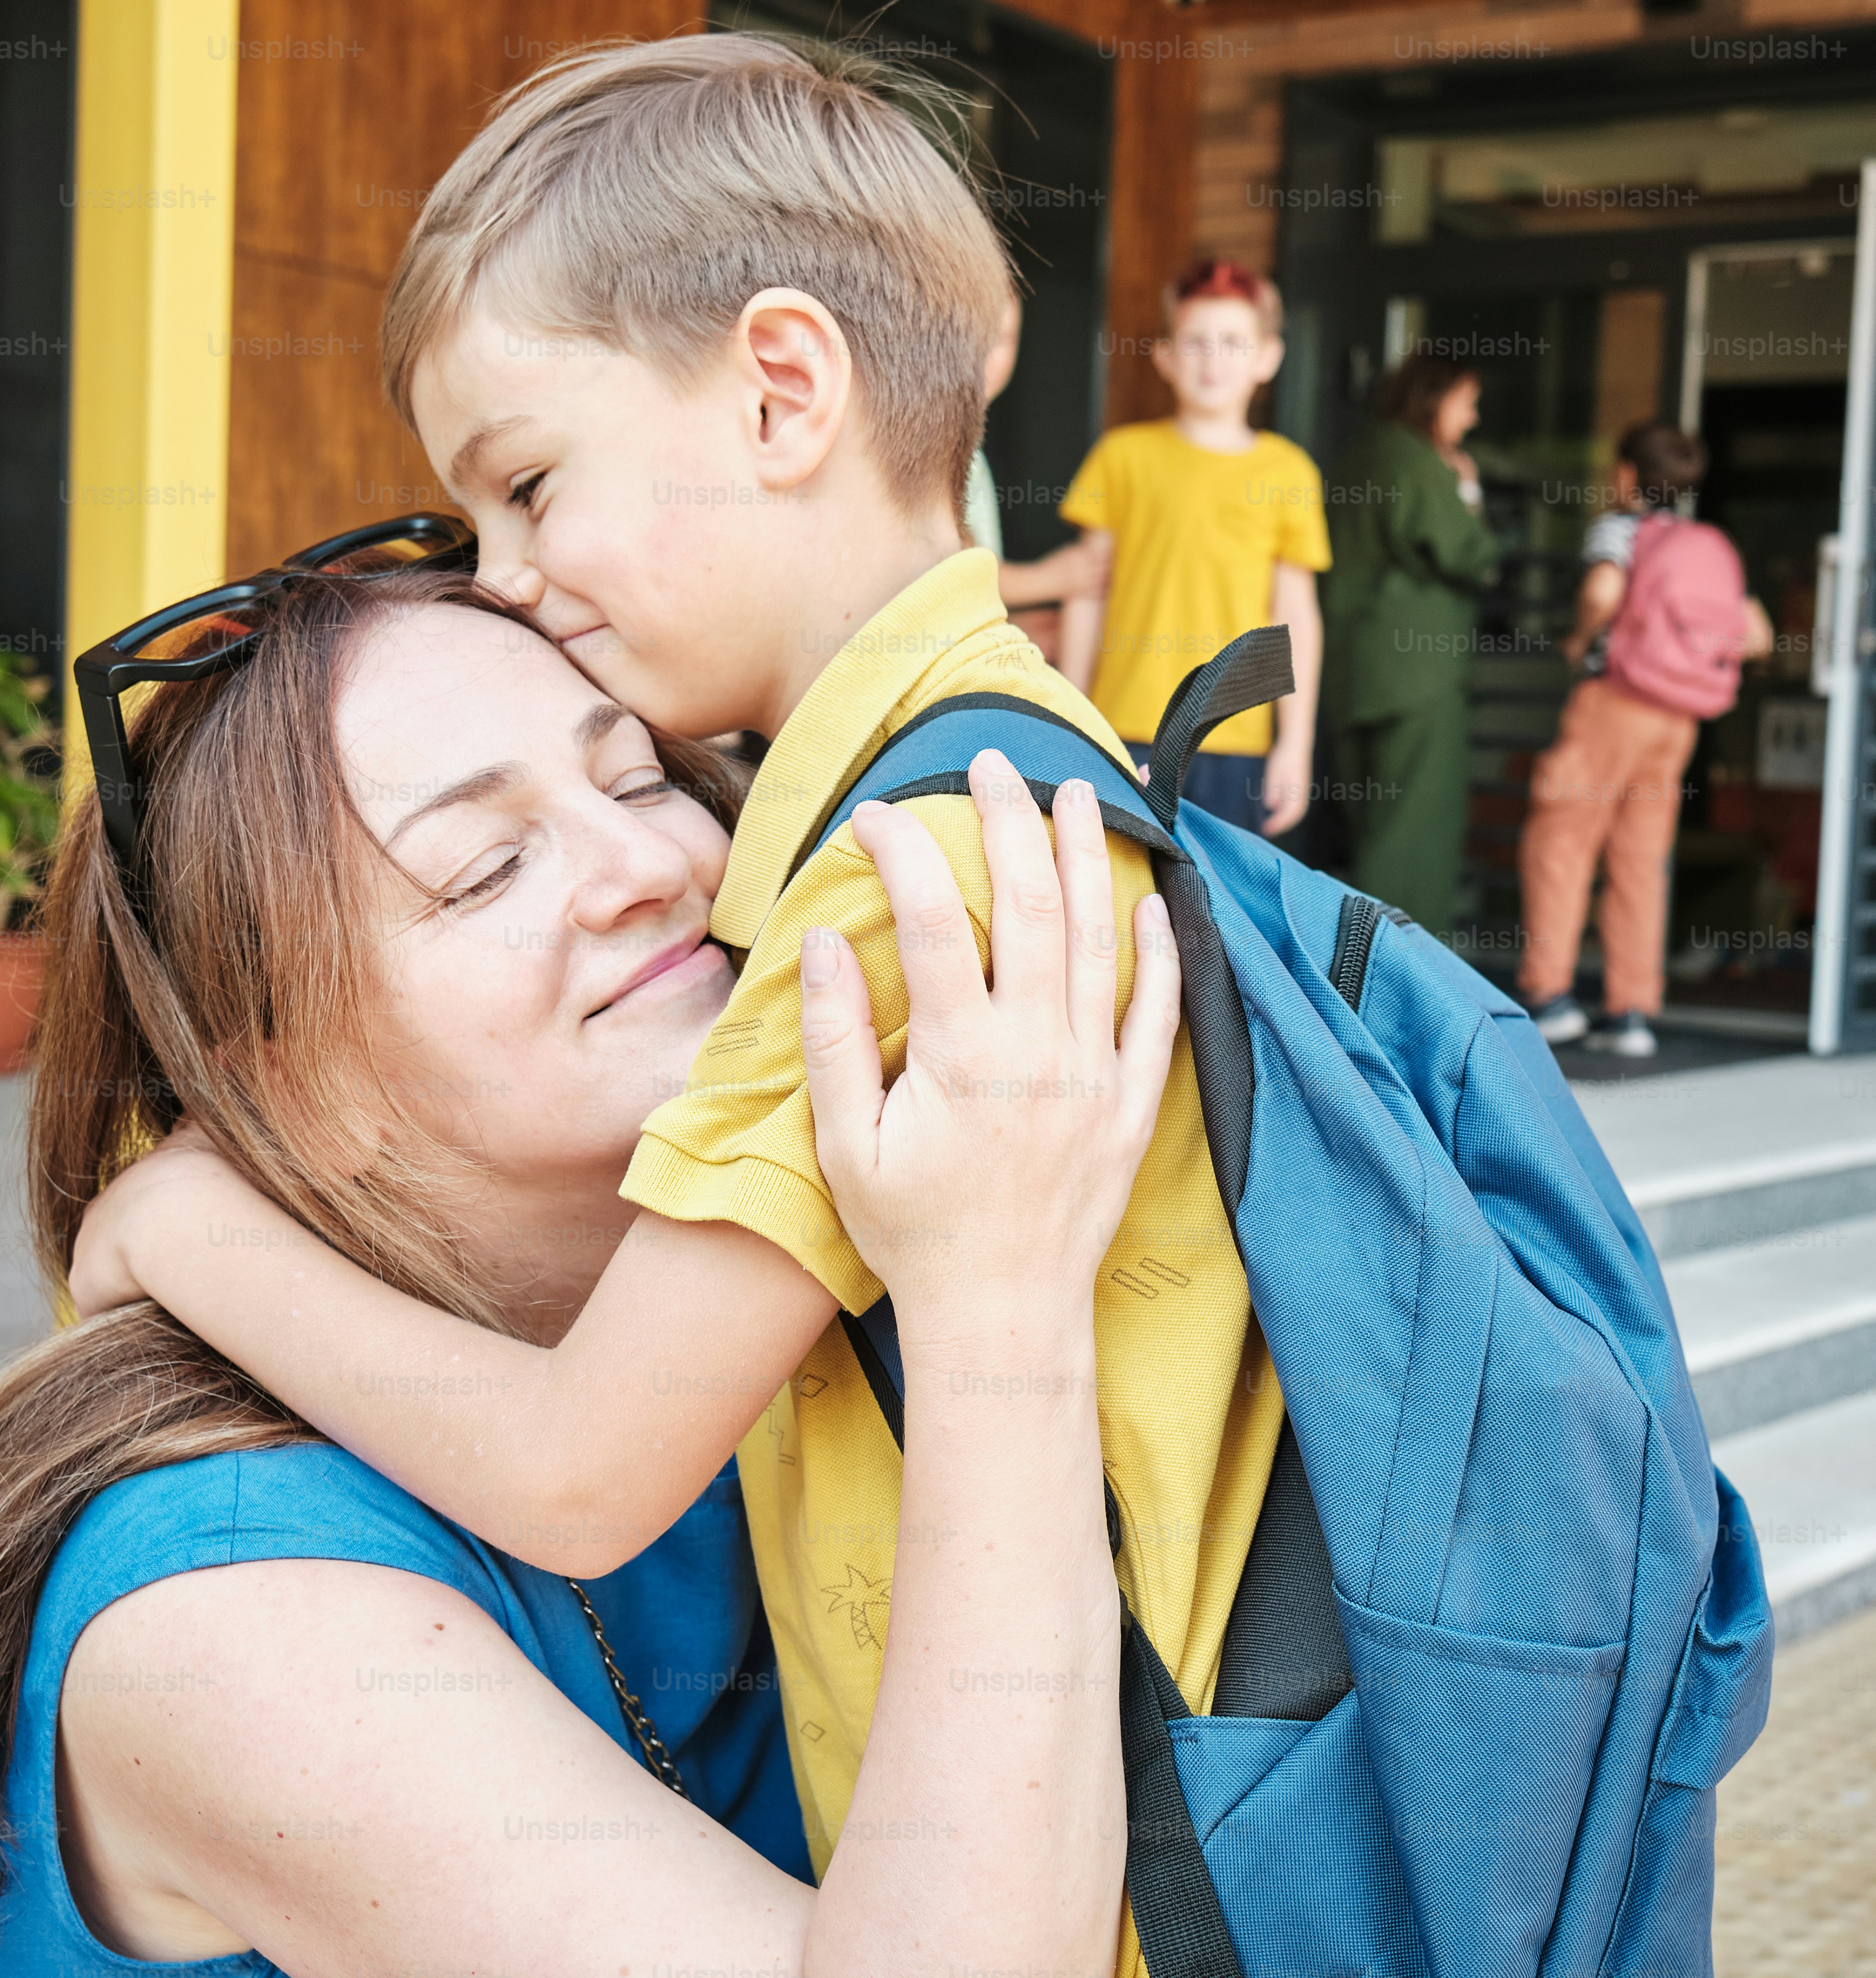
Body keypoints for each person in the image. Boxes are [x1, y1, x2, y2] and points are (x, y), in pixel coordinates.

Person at [76, 42, 1284, 1969]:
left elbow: (576, 1467)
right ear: (279, 1072)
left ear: (785, 388)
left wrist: (170, 1224)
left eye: (528, 487)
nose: (511, 578)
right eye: (481, 867)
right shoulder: (1016, 771)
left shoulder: (905, 870)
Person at [0, 568, 1168, 1978]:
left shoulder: (757, 1327)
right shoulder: (233, 1614)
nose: (649, 864)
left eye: (638, 777)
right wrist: (999, 1306)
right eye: (486, 868)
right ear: (292, 1090)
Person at [1522, 420, 1774, 1058]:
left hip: (1615, 700)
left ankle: (1549, 999)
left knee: (1561, 841)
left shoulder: (1620, 530)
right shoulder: (1709, 545)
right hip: (1677, 719)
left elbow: (1602, 590)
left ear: (1629, 474)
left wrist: (1580, 639)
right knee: (1641, 859)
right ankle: (1629, 1012)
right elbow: (1758, 635)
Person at [1057, 258, 1332, 834]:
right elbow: (1086, 594)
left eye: (1233, 342)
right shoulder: (1121, 457)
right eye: (1196, 342)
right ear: (1165, 355)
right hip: (1122, 728)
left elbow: (1295, 616)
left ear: (1268, 357)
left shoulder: (1289, 472)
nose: (1213, 359)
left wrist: (1295, 743)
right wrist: (1071, 715)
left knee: (1216, 891)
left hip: (1237, 732)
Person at [1322, 351, 1504, 931]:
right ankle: (1400, 974)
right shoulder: (1418, 462)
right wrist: (1468, 493)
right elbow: (1473, 557)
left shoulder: (1358, 457)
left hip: (1354, 673)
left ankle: (1354, 960)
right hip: (1417, 677)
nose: (1471, 418)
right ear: (1434, 397)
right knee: (1414, 839)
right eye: (1467, 403)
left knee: (1374, 826)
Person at [970, 285, 1108, 617]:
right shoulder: (924, 449)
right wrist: (1052, 579)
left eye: (1002, 338)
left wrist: (1017, 623)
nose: (985, 355)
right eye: (972, 335)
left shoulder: (972, 455)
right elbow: (953, 575)